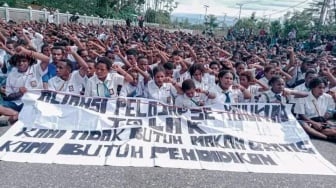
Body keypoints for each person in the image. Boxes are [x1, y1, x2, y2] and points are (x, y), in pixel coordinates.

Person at [4, 46, 49, 111]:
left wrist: (26, 51)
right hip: (17, 103)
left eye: (24, 61)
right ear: (15, 62)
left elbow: (47, 59)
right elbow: (9, 95)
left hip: (35, 102)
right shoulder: (11, 75)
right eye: (18, 61)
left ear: (29, 61)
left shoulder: (36, 68)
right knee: (3, 105)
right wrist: (19, 93)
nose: (21, 63)